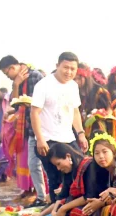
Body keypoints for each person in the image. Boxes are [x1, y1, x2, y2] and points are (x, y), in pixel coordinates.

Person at [31, 51, 88, 204]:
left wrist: (81, 134)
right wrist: (40, 139)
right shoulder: (43, 85)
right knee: (55, 178)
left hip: (68, 138)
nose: (69, 72)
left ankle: (71, 210)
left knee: (78, 172)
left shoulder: (73, 86)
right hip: (48, 139)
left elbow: (74, 111)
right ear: (57, 66)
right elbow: (34, 113)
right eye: (66, 67)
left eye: (73, 69)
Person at [0, 55, 47, 207]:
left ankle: (48, 196)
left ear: (13, 67)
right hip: (28, 126)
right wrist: (16, 86)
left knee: (44, 164)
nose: (8, 76)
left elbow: (40, 101)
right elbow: (16, 104)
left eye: (7, 73)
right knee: (32, 163)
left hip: (42, 126)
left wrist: (21, 96)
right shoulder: (17, 81)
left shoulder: (35, 76)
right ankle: (40, 197)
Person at [82, 133, 116, 216]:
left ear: (114, 152)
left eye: (105, 152)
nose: (101, 156)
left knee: (107, 209)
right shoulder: (105, 171)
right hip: (114, 202)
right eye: (97, 153)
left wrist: (101, 202)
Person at [76, 62, 112, 129]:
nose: (76, 81)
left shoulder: (100, 91)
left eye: (79, 78)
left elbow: (109, 109)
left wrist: (99, 114)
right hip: (79, 127)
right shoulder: (73, 91)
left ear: (86, 77)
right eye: (74, 79)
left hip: (97, 127)